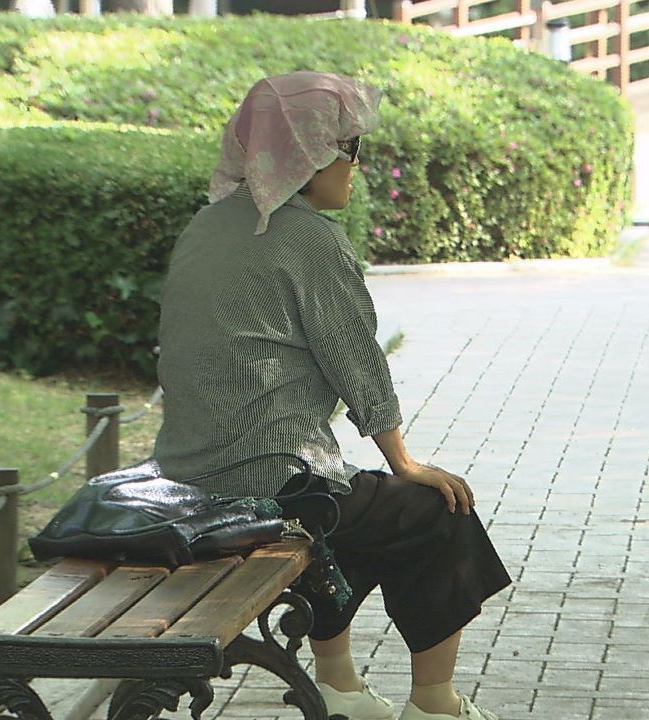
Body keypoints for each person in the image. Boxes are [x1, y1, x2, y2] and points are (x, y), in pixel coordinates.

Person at [152, 71, 512, 720]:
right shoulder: (308, 238)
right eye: (348, 148)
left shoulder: (206, 225)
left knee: (347, 506)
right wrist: (407, 464)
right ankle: (435, 704)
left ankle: (340, 686)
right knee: (437, 512)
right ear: (307, 152)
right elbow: (356, 361)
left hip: (188, 474)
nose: (356, 165)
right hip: (263, 482)